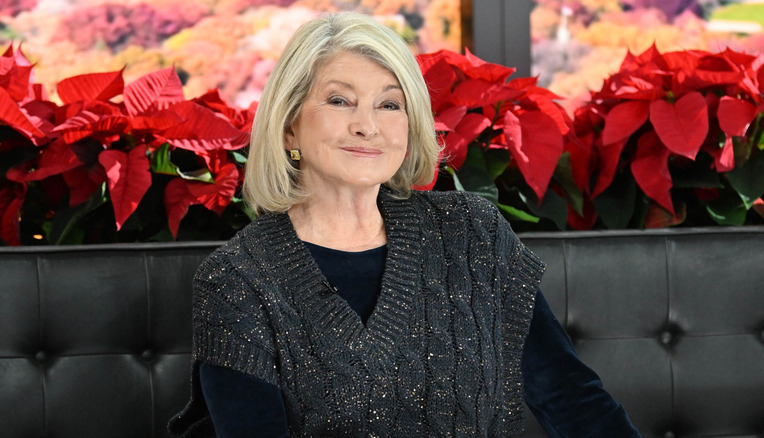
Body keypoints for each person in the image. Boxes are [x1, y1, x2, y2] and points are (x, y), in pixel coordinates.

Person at [168, 12, 641, 438]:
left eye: (389, 105)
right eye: (339, 101)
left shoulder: (472, 235)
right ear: (290, 125)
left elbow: (571, 398)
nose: (367, 126)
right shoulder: (236, 281)